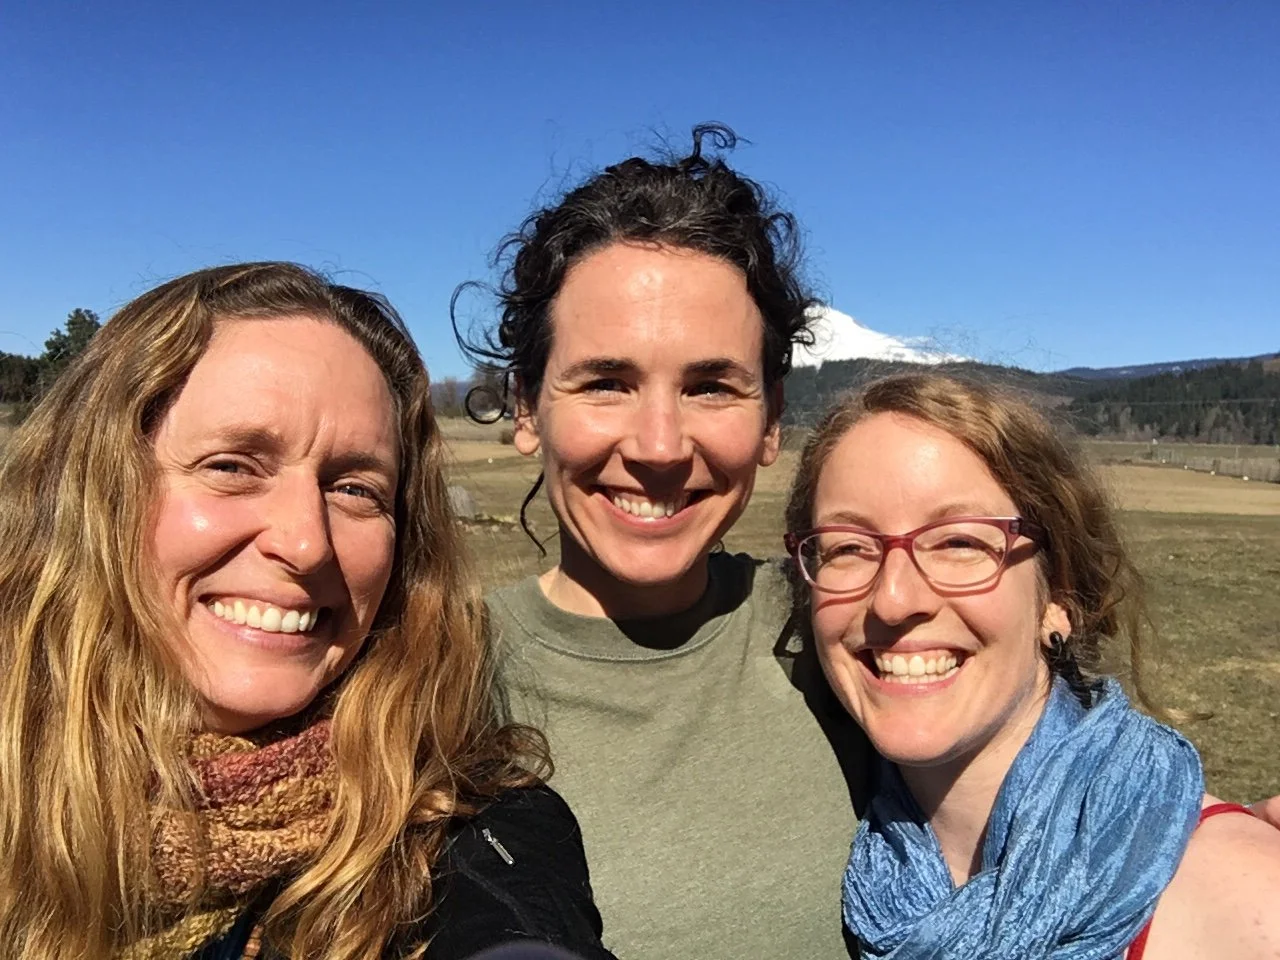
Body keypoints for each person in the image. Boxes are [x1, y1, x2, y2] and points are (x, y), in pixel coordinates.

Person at [0, 263, 614, 960]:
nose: (304, 542)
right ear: (95, 493)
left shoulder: (467, 832)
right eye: (233, 466)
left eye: (355, 488)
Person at [458, 125, 869, 960]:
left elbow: (1074, 784)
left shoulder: (850, 629)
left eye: (711, 386)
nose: (658, 445)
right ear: (529, 408)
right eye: (606, 382)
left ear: (772, 419)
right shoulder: (427, 679)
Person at [783, 372, 1280, 959]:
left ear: (1059, 596)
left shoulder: (1236, 904)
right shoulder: (855, 867)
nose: (893, 599)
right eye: (847, 547)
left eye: (960, 542)